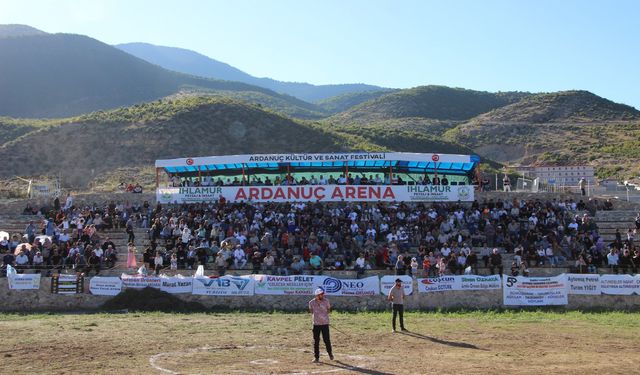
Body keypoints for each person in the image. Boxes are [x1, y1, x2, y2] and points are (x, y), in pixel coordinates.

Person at [308, 288, 334, 363]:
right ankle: (316, 357)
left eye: (322, 294)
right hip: (316, 324)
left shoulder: (326, 301)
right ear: (317, 295)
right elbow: (311, 311)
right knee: (316, 341)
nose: (322, 295)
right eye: (321, 294)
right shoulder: (311, 302)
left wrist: (323, 317)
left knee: (327, 340)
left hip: (325, 324)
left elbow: (329, 310)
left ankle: (330, 354)